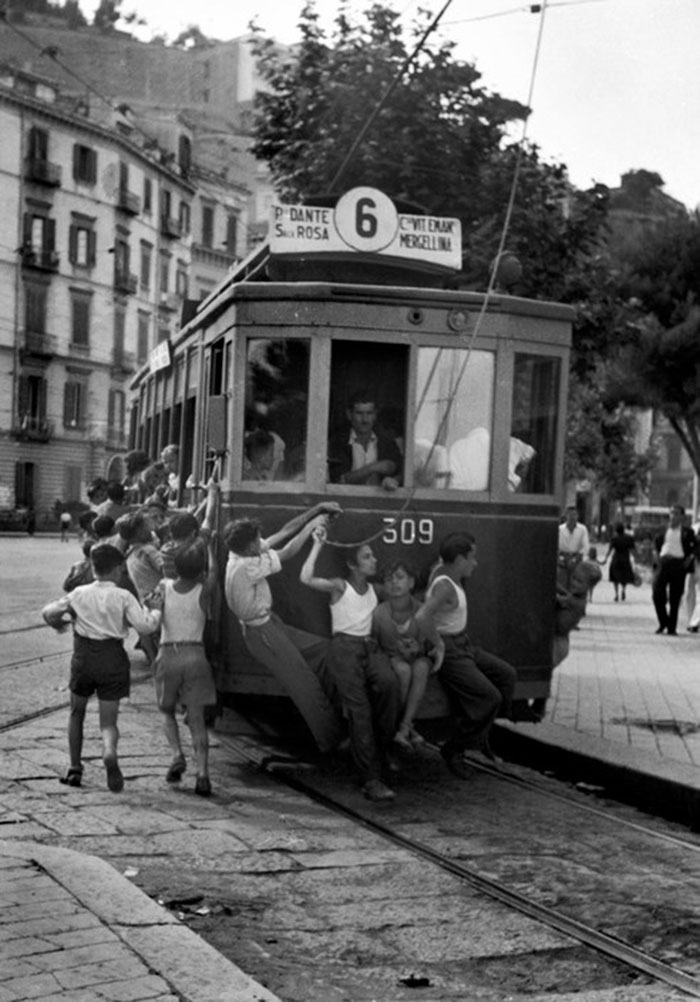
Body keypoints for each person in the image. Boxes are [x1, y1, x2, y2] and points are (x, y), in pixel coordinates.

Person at [224, 502, 345, 754]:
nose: (262, 542)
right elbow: (288, 550)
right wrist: (313, 525)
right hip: (263, 634)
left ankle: (340, 713)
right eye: (258, 541)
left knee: (323, 649)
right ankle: (332, 740)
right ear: (249, 547)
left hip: (270, 624)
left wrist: (315, 511)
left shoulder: (240, 553)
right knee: (305, 685)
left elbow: (284, 531)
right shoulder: (247, 565)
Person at [40, 543, 162, 792]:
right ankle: (108, 751)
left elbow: (49, 611)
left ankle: (74, 767)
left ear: (94, 567)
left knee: (76, 714)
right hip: (113, 658)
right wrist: (156, 610)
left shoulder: (78, 593)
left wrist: (59, 623)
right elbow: (146, 626)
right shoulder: (123, 596)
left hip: (84, 658)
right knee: (109, 721)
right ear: (118, 569)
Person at [300, 526, 401, 802]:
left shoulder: (374, 589)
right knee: (360, 712)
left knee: (391, 687)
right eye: (367, 557)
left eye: (372, 556)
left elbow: (401, 587)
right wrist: (317, 545)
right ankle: (371, 779)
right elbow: (306, 577)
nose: (374, 561)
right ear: (352, 564)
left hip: (369, 648)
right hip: (344, 650)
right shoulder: (339, 587)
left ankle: (385, 749)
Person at [416, 532, 516, 779]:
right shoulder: (445, 586)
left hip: (464, 644)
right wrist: (437, 645)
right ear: (459, 559)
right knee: (489, 698)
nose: (475, 563)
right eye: (472, 557)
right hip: (451, 651)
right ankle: (454, 749)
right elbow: (421, 617)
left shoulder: (445, 571)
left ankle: (480, 736)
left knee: (507, 676)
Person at [155, 536, 219, 796]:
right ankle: (203, 774)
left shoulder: (164, 586)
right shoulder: (204, 591)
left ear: (176, 567)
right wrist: (211, 548)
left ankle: (176, 754)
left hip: (168, 653)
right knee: (196, 720)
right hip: (195, 655)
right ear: (200, 571)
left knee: (167, 711)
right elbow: (215, 571)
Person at [373, 560, 435, 750]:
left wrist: (418, 648)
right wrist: (393, 652)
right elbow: (374, 643)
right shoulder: (379, 613)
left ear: (411, 582)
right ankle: (402, 727)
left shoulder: (421, 610)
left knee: (421, 666)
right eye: (389, 579)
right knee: (403, 670)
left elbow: (428, 643)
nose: (394, 583)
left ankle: (404, 727)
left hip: (416, 658)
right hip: (391, 659)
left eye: (400, 578)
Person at [327, 390, 403, 490]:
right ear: (349, 415)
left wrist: (395, 480)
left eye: (369, 413)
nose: (365, 419)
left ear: (375, 415)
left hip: (381, 503)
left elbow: (403, 471)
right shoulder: (337, 442)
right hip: (346, 502)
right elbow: (338, 480)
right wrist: (373, 468)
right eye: (359, 413)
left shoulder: (386, 441)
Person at [652, 504, 696, 635]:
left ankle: (671, 628)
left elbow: (695, 547)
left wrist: (689, 559)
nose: (673, 516)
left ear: (682, 516)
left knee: (675, 598)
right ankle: (663, 621)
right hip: (664, 563)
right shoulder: (662, 529)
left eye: (676, 513)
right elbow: (656, 544)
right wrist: (655, 555)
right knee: (657, 594)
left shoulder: (688, 532)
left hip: (679, 565)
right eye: (671, 513)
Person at [557, 505, 590, 591]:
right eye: (570, 515)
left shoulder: (582, 529)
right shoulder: (560, 529)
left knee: (575, 585)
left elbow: (585, 547)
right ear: (566, 516)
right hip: (562, 559)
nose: (572, 517)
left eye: (574, 515)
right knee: (561, 585)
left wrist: (577, 558)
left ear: (578, 516)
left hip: (576, 559)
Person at [603, 523, 636, 602]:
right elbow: (632, 550)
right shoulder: (629, 538)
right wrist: (636, 558)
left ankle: (616, 594)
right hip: (625, 559)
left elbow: (610, 549)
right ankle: (623, 590)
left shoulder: (614, 538)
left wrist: (605, 558)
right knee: (624, 576)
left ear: (616, 530)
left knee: (615, 578)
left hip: (616, 559)